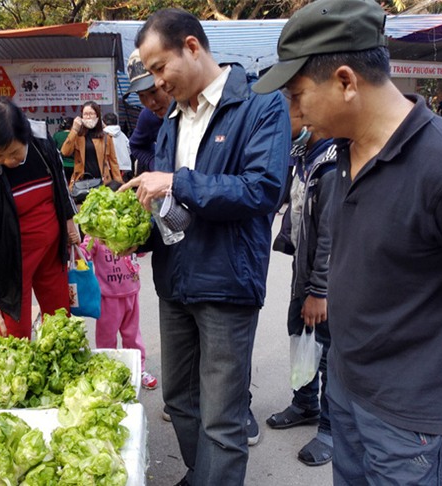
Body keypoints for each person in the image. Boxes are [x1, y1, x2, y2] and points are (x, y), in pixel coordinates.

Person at [253, 0, 442, 484]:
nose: (293, 112)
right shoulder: (343, 152)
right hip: (348, 395)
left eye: (297, 95)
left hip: (413, 424)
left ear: (347, 81)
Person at [121, 9, 290, 486]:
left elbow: (262, 190)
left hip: (226, 283)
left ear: (192, 47)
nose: (155, 83)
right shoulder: (172, 118)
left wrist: (175, 180)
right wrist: (135, 235)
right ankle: (201, 476)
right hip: (176, 281)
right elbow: (174, 206)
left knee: (222, 417)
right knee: (178, 398)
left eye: (159, 68)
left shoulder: (262, 104)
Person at [0, 98, 80, 348]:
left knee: (61, 328)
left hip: (50, 253)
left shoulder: (41, 143)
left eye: (15, 153)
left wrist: (70, 221)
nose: (8, 161)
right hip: (12, 265)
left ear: (25, 135)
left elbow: (60, 182)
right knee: (16, 338)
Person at [268, 113, 336, 466]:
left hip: (324, 280)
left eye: (288, 120)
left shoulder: (331, 164)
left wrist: (319, 291)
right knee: (299, 332)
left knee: (326, 351)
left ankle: (330, 428)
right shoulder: (303, 159)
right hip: (303, 270)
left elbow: (330, 236)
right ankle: (305, 402)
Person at [80, 234, 158, 390]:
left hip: (131, 292)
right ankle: (106, 370)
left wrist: (137, 235)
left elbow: (141, 252)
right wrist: (75, 243)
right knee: (106, 338)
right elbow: (84, 253)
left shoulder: (127, 229)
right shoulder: (96, 234)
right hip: (108, 297)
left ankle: (139, 369)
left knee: (133, 335)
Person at [124, 48, 174, 174]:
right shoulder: (148, 116)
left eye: (153, 91)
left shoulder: (195, 106)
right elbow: (136, 146)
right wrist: (156, 165)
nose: (150, 102)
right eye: (141, 95)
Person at [60, 102, 122, 190]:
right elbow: (64, 152)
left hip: (102, 183)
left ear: (97, 116)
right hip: (81, 183)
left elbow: (113, 162)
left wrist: (119, 184)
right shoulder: (77, 136)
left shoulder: (106, 137)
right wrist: (74, 130)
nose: (88, 117)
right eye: (85, 114)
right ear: (81, 116)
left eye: (91, 114)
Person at [102, 112, 133, 179]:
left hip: (109, 167)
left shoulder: (102, 135)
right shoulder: (122, 134)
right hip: (124, 167)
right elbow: (129, 149)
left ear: (103, 123)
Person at [53, 117, 75, 184]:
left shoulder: (56, 135)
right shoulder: (75, 135)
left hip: (62, 165)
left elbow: (53, 150)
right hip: (74, 166)